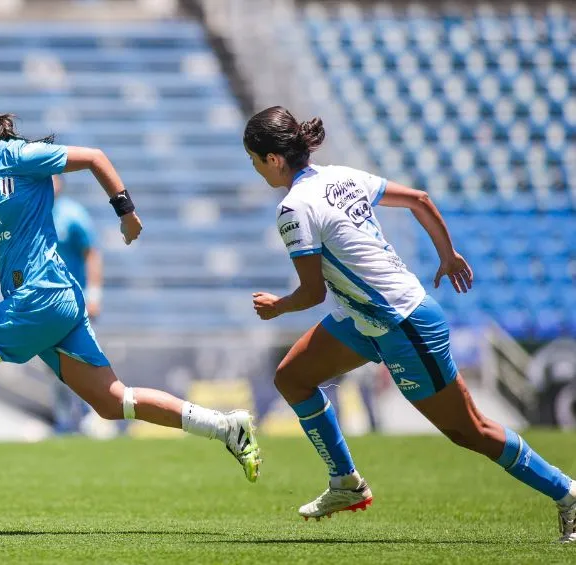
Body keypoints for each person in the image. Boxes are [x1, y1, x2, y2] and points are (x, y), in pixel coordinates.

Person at [0, 96, 262, 511]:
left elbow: (94, 158)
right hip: (49, 304)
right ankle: (226, 427)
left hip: (40, 297)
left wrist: (124, 210)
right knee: (113, 402)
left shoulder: (19, 157)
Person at [244, 106, 576, 543]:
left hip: (403, 323)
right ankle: (346, 483)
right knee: (293, 378)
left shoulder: (292, 209)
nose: (255, 169)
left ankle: (567, 493)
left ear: (273, 159)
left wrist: (277, 307)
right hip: (365, 319)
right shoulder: (341, 176)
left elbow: (312, 294)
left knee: (469, 430)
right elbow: (419, 198)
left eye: (254, 160)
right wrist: (448, 255)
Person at [50, 174, 107, 435]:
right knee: (54, 364)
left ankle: (87, 417)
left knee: (81, 360)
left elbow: (91, 253)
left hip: (74, 301)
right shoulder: (33, 212)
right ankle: (63, 420)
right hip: (47, 302)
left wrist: (93, 294)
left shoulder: (72, 214)